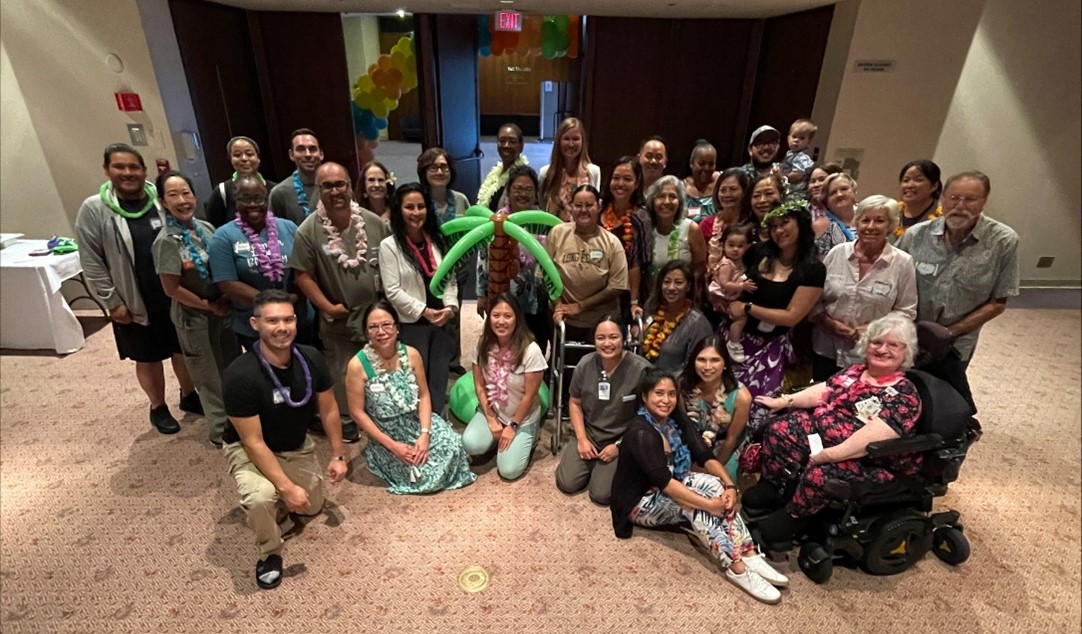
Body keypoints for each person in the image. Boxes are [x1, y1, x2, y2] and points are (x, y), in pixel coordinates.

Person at [610, 369, 788, 604]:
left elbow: (704, 455)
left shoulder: (675, 420)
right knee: (695, 508)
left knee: (715, 484)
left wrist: (730, 487)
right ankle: (736, 567)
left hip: (672, 482)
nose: (666, 400)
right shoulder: (640, 433)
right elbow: (666, 484)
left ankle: (748, 552)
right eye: (659, 393)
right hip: (640, 502)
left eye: (671, 394)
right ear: (644, 396)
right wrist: (709, 505)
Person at [746, 315, 923, 546]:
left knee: (821, 472)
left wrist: (828, 455)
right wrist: (785, 401)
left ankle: (795, 516)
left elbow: (868, 442)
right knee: (779, 429)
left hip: (868, 459)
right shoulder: (856, 371)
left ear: (906, 352)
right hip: (826, 437)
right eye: (876, 342)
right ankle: (773, 486)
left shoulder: (904, 395)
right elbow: (825, 390)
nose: (882, 349)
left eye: (893, 345)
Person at [221, 290, 348, 590]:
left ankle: (278, 507)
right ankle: (269, 552)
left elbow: (329, 408)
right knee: (261, 497)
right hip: (250, 448)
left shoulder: (311, 357)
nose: (282, 327)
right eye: (272, 320)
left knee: (311, 506)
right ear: (255, 324)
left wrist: (338, 455)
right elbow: (252, 442)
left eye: (288, 319)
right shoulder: (240, 375)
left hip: (293, 444)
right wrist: (287, 487)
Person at [74, 143, 199, 434]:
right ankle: (158, 406)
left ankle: (189, 395)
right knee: (148, 355)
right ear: (107, 170)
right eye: (120, 167)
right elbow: (90, 260)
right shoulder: (95, 209)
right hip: (134, 297)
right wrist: (112, 301)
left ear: (144, 171)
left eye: (134, 167)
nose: (127, 173)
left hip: (174, 292)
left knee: (181, 347)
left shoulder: (161, 200)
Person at [291, 162, 392, 443]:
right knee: (343, 369)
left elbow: (389, 262)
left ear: (349, 186)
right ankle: (346, 418)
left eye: (340, 184)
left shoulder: (372, 222)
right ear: (319, 189)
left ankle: (376, 412)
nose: (335, 191)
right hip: (339, 318)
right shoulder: (308, 231)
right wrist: (326, 306)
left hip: (375, 316)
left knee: (378, 365)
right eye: (328, 186)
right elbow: (303, 275)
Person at [345, 301, 476, 494]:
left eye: (387, 325)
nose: (381, 332)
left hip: (415, 421)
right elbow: (357, 413)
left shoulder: (412, 354)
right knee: (422, 474)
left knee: (454, 447)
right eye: (373, 327)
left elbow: (423, 395)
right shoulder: (357, 365)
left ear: (397, 328)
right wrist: (393, 446)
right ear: (366, 332)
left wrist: (424, 434)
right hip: (386, 434)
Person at [896, 171, 1019, 372]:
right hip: (907, 337)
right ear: (943, 199)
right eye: (953, 198)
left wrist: (949, 332)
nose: (960, 206)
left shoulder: (1003, 241)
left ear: (983, 202)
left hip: (957, 343)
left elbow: (998, 302)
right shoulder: (915, 235)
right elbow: (894, 281)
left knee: (943, 397)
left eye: (970, 199)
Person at [151, 171, 237, 447]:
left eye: (186, 193)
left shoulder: (207, 229)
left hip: (221, 311)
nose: (182, 200)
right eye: (173, 195)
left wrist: (223, 299)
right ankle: (220, 432)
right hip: (194, 318)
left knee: (231, 366)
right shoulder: (166, 241)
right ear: (163, 202)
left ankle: (240, 420)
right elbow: (171, 289)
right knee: (209, 376)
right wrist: (207, 305)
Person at [726, 200, 825, 437]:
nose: (779, 231)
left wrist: (748, 307)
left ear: (800, 222)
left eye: (785, 223)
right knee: (724, 404)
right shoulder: (760, 252)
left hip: (769, 348)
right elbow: (732, 272)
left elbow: (791, 316)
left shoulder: (812, 269)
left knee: (756, 409)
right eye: (773, 226)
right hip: (736, 339)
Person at [811, 195, 917, 381]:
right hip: (826, 346)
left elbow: (906, 311)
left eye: (879, 220)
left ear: (890, 225)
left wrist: (873, 329)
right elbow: (814, 298)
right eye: (865, 220)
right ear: (856, 222)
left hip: (870, 354)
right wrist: (828, 322)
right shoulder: (837, 253)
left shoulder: (902, 262)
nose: (870, 226)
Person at [378, 183, 458, 416]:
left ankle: (438, 420)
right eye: (409, 207)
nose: (416, 213)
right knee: (414, 376)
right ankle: (417, 423)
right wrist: (424, 311)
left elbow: (450, 279)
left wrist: (450, 308)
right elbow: (392, 290)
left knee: (440, 373)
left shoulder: (439, 240)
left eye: (421, 206)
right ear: (399, 210)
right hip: (412, 323)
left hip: (442, 320)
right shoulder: (389, 246)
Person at [556, 316, 651, 505]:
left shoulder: (642, 369)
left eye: (613, 337)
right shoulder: (585, 364)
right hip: (590, 433)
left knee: (601, 494)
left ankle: (619, 463)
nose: (607, 343)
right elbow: (574, 403)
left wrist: (619, 446)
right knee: (567, 483)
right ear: (594, 340)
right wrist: (582, 439)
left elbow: (648, 416)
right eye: (601, 338)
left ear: (624, 339)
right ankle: (590, 461)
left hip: (622, 437)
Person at [210, 174, 311, 351]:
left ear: (267, 198)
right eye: (245, 199)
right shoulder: (223, 236)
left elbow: (305, 267)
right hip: (254, 328)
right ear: (235, 200)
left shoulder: (288, 228)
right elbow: (226, 283)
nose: (253, 204)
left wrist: (294, 298)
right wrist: (272, 306)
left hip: (299, 320)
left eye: (258, 198)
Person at [462, 293, 547, 480]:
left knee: (508, 471)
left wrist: (513, 426)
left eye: (508, 316)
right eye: (496, 315)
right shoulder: (481, 344)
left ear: (517, 318)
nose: (501, 321)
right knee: (470, 444)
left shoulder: (531, 350)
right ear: (489, 316)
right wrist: (491, 417)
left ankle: (530, 435)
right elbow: (479, 385)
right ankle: (494, 436)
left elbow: (530, 396)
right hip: (493, 411)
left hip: (521, 418)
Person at [476, 164, 552, 353]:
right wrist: (481, 295)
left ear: (536, 194)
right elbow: (483, 259)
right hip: (504, 295)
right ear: (508, 192)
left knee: (535, 346)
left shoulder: (544, 221)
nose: (522, 194)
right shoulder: (496, 221)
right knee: (504, 347)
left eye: (528, 190)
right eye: (517, 189)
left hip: (537, 298)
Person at [545, 184, 629, 344]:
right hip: (563, 319)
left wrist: (581, 306)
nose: (583, 210)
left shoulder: (612, 242)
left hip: (601, 322)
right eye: (578, 205)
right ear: (571, 208)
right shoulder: (557, 233)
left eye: (589, 205)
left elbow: (617, 286)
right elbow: (545, 274)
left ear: (599, 207)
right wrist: (558, 305)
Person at [417, 147, 471, 374]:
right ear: (424, 171)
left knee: (452, 316)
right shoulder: (418, 200)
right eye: (433, 167)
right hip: (425, 269)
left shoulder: (460, 200)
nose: (439, 171)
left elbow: (470, 233)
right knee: (427, 314)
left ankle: (452, 361)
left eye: (444, 167)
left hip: (456, 269)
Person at [679, 337, 753, 482]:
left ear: (725, 363)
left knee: (719, 483)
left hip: (725, 448)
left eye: (715, 360)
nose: (707, 367)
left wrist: (712, 468)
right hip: (692, 443)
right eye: (701, 360)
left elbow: (731, 440)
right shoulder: (683, 387)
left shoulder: (741, 397)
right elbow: (684, 427)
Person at [599, 156, 651, 321]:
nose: (620, 184)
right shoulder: (598, 210)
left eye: (627, 179)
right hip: (594, 288)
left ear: (636, 184)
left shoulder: (641, 218)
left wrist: (634, 302)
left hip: (625, 294)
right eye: (616, 178)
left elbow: (636, 264)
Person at [641, 261, 712, 373]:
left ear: (688, 287)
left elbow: (694, 368)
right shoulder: (651, 308)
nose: (671, 288)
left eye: (678, 282)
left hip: (676, 386)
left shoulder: (698, 323)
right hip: (646, 381)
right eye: (667, 282)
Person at [644, 175, 707, 296]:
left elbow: (700, 266)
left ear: (680, 202)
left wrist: (681, 287)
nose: (667, 201)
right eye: (661, 196)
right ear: (652, 201)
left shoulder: (691, 229)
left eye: (672, 196)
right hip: (651, 299)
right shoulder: (646, 229)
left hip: (683, 300)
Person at [708, 222, 757, 362]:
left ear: (747, 246)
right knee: (741, 317)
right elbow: (724, 284)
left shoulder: (739, 262)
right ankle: (733, 342)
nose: (735, 249)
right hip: (723, 296)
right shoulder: (726, 264)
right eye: (731, 245)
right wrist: (742, 286)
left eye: (740, 246)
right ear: (723, 245)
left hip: (731, 294)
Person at [204, 136, 276, 228]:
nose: (244, 159)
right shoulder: (222, 191)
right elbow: (214, 227)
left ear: (258, 159)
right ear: (231, 160)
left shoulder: (274, 189)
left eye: (249, 154)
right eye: (237, 155)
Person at [539, 117, 601, 221]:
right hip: (553, 234)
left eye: (575, 139)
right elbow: (542, 208)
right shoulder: (545, 173)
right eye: (566, 139)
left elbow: (594, 210)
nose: (571, 144)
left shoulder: (593, 172)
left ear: (583, 142)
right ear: (559, 141)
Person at [269, 129, 323, 226]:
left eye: (312, 149)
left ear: (321, 154)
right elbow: (275, 232)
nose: (308, 154)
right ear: (291, 155)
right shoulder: (279, 193)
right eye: (301, 149)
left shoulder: (336, 187)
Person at [703, 167, 751, 268]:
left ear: (744, 192)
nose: (727, 194)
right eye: (723, 190)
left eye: (733, 189)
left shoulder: (752, 224)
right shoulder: (707, 223)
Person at [478, 123, 527, 210]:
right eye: (502, 141)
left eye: (512, 141)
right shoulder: (496, 170)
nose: (506, 145)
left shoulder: (523, 176)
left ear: (521, 146)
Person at [893, 160, 943, 241]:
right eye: (906, 180)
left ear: (934, 186)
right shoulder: (891, 211)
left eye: (918, 180)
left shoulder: (941, 219)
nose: (910, 185)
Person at [814, 172, 858, 259]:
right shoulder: (822, 226)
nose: (839, 194)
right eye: (833, 192)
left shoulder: (867, 219)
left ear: (854, 193)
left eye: (844, 189)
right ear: (826, 201)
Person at [682, 139, 718, 223]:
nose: (706, 168)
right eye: (702, 163)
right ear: (691, 163)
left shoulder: (722, 184)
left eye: (711, 164)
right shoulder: (680, 187)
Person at [778, 119, 817, 196]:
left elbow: (797, 175)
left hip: (796, 192)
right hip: (787, 188)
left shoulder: (802, 157)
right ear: (788, 138)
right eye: (794, 136)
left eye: (802, 138)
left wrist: (781, 178)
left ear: (809, 142)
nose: (796, 140)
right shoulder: (790, 154)